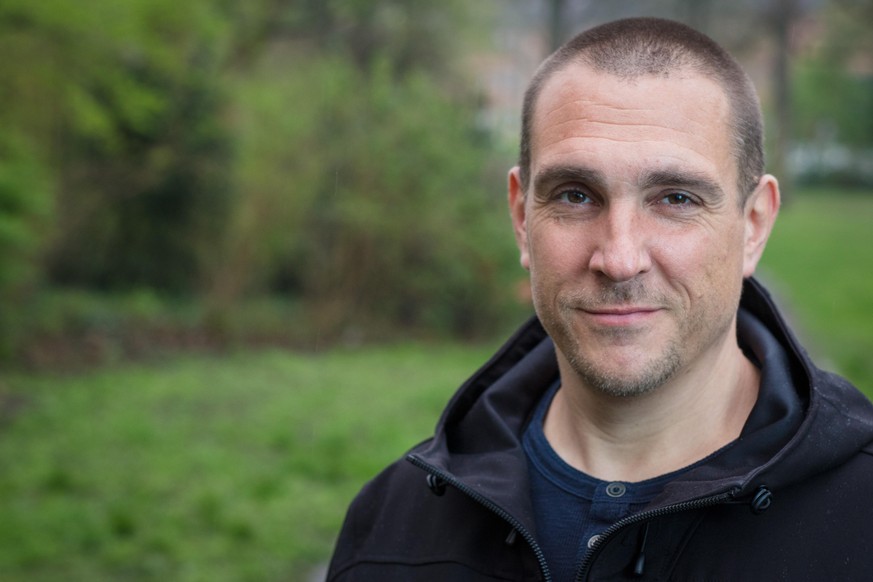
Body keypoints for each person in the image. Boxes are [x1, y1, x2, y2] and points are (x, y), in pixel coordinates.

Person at [326, 17, 873, 581]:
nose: (618, 258)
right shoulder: (393, 524)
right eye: (576, 195)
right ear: (521, 219)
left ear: (754, 225)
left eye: (676, 199)